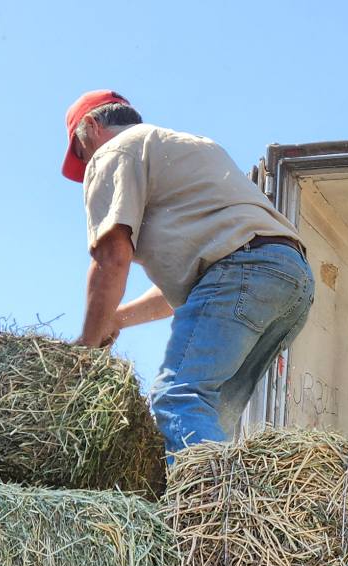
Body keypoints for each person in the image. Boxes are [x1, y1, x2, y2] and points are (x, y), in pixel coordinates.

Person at [60, 89, 314, 454]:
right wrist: (117, 319)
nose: (86, 165)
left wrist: (85, 350)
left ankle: (209, 494)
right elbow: (199, 290)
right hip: (289, 277)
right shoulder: (181, 148)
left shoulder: (113, 152)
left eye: (80, 153)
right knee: (212, 414)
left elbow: (111, 258)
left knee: (177, 397)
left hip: (242, 269)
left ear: (91, 126)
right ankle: (224, 487)